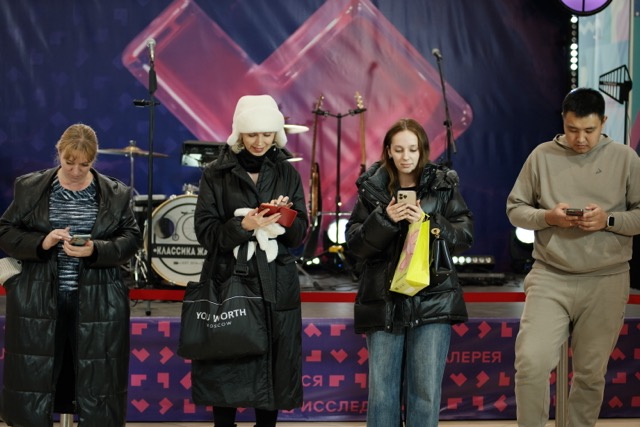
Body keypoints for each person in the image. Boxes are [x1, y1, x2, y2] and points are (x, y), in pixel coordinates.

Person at [507, 87, 640, 427]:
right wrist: (548, 217)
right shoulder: (542, 155)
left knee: (590, 374)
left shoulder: (626, 158)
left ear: (603, 122)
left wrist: (608, 220)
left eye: (589, 130)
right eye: (572, 129)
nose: (580, 139)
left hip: (606, 278)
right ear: (563, 122)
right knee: (531, 363)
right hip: (550, 275)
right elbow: (515, 209)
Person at [0, 123, 142, 427]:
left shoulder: (116, 194)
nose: (76, 171)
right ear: (59, 153)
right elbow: (6, 232)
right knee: (36, 386)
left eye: (85, 164)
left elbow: (131, 239)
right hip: (39, 300)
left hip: (98, 301)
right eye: (69, 162)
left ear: (94, 160)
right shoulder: (30, 188)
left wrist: (95, 250)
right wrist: (42, 242)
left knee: (96, 387)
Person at [345, 118, 473, 427]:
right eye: (399, 149)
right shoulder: (372, 188)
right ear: (388, 151)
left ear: (422, 150)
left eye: (412, 149)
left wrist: (429, 222)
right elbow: (355, 246)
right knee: (382, 394)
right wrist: (385, 219)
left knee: (425, 392)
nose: (406, 157)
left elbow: (465, 235)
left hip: (432, 299)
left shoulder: (442, 184)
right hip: (384, 300)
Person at [192, 94, 308, 427]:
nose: (260, 141)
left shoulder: (287, 173)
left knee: (273, 373)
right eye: (252, 134)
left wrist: (282, 217)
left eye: (267, 134)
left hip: (276, 285)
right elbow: (205, 232)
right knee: (224, 367)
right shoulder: (216, 173)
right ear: (238, 133)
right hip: (228, 281)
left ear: (277, 134)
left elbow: (299, 235)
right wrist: (242, 225)